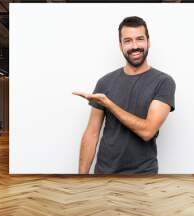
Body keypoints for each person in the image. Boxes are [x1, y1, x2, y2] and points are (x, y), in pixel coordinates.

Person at [73, 16, 176, 174]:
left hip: (143, 176)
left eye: (139, 39)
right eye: (127, 41)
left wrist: (109, 104)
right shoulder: (104, 82)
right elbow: (92, 133)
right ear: (120, 45)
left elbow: (148, 131)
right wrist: (81, 178)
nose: (135, 46)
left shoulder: (163, 82)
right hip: (104, 173)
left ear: (148, 41)